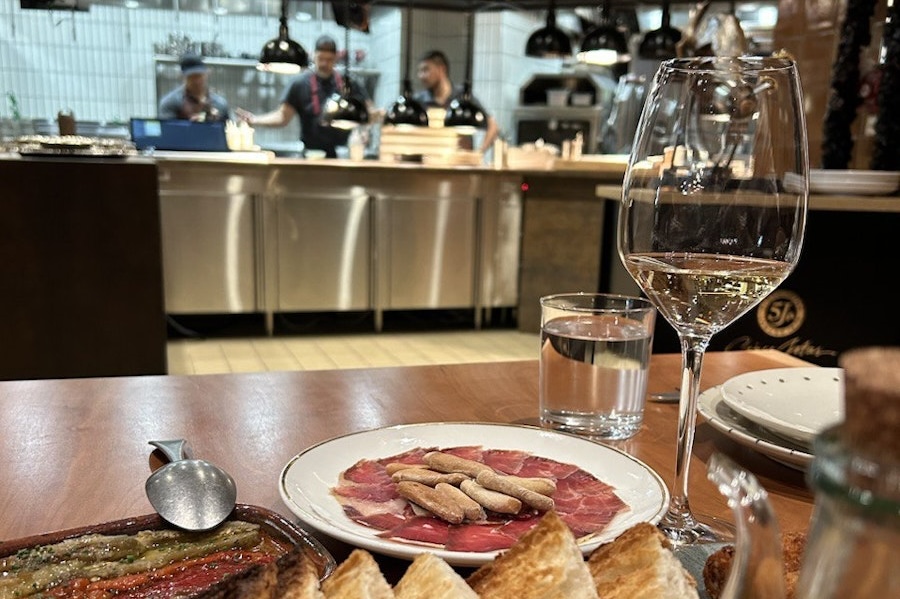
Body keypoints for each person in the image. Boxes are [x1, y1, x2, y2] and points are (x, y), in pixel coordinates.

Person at [236, 35, 371, 158]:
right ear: (313, 56)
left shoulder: (348, 84)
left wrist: (364, 130)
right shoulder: (300, 84)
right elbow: (282, 117)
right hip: (310, 154)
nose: (324, 64)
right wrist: (254, 120)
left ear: (336, 58)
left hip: (343, 154)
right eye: (321, 59)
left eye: (329, 60)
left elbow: (369, 113)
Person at [413, 50, 499, 155]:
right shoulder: (418, 100)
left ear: (441, 69)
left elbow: (493, 126)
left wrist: (479, 153)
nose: (421, 76)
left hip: (461, 165)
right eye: (419, 71)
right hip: (430, 163)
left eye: (425, 70)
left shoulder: (464, 97)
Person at [158, 54, 230, 122]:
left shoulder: (220, 103)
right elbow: (168, 131)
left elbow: (228, 130)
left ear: (206, 74)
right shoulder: (171, 102)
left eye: (199, 76)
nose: (197, 81)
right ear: (183, 77)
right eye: (192, 77)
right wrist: (191, 125)